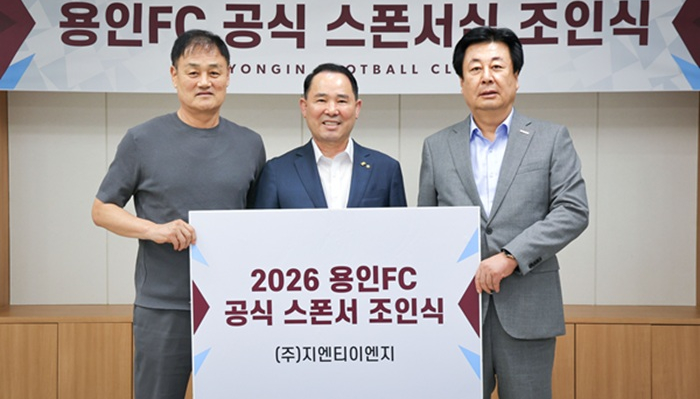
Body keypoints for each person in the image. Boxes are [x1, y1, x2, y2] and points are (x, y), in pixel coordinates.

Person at [91, 29, 266, 399]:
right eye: (193, 71)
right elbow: (102, 210)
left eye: (214, 72)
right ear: (174, 76)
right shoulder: (141, 140)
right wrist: (154, 229)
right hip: (163, 307)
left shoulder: (250, 144)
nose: (204, 82)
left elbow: (255, 221)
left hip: (231, 306)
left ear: (229, 76)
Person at [417, 27, 589, 399]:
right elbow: (426, 228)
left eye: (497, 66)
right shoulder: (436, 147)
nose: (486, 77)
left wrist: (511, 256)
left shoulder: (551, 139)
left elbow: (573, 210)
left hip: (528, 309)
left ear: (516, 77)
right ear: (461, 82)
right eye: (475, 68)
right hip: (458, 314)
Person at [255, 63, 407, 209]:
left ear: (357, 108)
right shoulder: (277, 171)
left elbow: (401, 226)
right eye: (321, 100)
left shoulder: (386, 169)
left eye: (341, 101)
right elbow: (263, 226)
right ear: (304, 107)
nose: (332, 110)